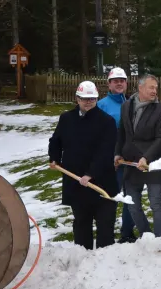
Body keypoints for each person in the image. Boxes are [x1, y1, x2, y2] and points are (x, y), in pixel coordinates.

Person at [49, 81, 119, 249]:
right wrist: (54, 158)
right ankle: (83, 255)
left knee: (105, 224)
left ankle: (105, 259)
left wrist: (90, 174)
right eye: (85, 99)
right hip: (76, 181)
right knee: (81, 222)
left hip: (102, 182)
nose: (88, 102)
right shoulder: (66, 119)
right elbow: (56, 141)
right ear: (77, 99)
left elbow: (106, 151)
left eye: (92, 99)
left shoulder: (106, 121)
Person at [114, 74, 161, 238]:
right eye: (151, 87)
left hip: (152, 163)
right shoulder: (126, 106)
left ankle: (160, 239)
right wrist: (117, 153)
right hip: (131, 163)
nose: (155, 91)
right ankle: (146, 235)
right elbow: (122, 132)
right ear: (140, 88)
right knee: (132, 203)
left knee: (156, 202)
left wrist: (146, 157)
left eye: (156, 88)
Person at [96, 67, 136, 243]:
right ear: (109, 84)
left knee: (131, 197)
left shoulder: (132, 102)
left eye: (122, 80)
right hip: (112, 161)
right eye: (115, 81)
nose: (119, 83)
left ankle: (127, 232)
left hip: (131, 160)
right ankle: (107, 234)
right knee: (110, 197)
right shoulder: (102, 105)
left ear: (126, 83)